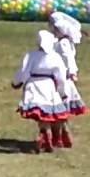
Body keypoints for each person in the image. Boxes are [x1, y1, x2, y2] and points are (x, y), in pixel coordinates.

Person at [11, 30, 68, 153]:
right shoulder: (55, 57)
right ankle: (49, 137)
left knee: (41, 114)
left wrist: (17, 82)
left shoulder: (31, 55)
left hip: (34, 86)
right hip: (49, 87)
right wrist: (62, 92)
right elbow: (61, 76)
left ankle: (45, 136)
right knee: (48, 113)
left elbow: (23, 71)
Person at [48, 12, 87, 148]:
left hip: (61, 78)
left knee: (58, 107)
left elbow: (68, 58)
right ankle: (61, 135)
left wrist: (72, 72)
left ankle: (60, 135)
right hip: (58, 77)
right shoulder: (61, 42)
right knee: (58, 108)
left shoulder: (63, 43)